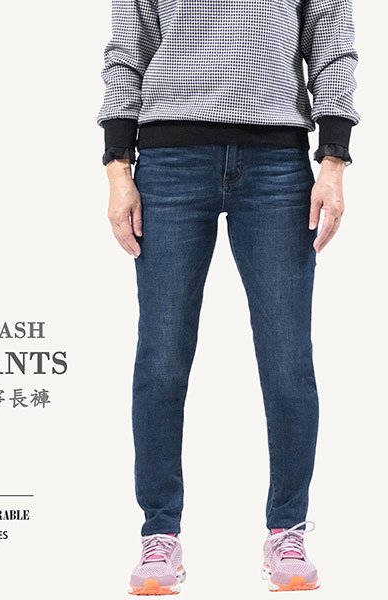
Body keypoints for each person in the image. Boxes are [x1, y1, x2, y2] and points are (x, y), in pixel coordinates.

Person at [96, 0, 360, 594]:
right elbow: (128, 47)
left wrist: (334, 161)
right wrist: (117, 167)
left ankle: (288, 529)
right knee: (161, 360)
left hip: (277, 161)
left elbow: (330, 39)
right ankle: (159, 533)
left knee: (288, 361)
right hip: (168, 159)